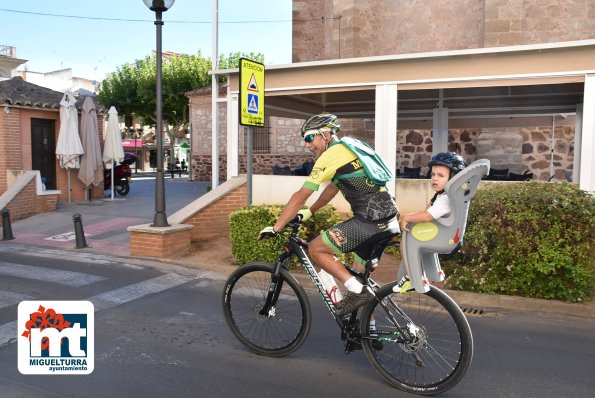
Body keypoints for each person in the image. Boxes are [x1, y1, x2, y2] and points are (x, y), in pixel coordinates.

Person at [258, 113, 400, 316]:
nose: (307, 145)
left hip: (370, 221)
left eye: (309, 138)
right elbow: (333, 188)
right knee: (359, 279)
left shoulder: (331, 155)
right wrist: (309, 212)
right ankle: (367, 333)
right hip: (387, 219)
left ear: (325, 134)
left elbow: (301, 195)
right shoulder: (349, 148)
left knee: (317, 250)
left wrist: (277, 227)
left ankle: (358, 292)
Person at [399, 152, 467, 233]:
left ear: (454, 179)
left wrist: (406, 217)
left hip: (439, 237)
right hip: (437, 234)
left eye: (440, 175)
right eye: (433, 174)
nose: (434, 178)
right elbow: (427, 211)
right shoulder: (441, 195)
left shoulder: (446, 199)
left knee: (407, 239)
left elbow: (427, 216)